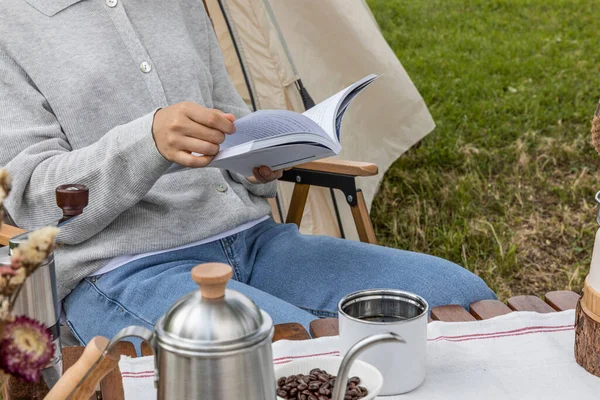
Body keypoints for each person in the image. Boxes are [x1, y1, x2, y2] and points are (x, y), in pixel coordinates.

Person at [0, 0, 495, 344]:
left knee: (466, 304)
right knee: (303, 359)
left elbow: (226, 115)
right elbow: (32, 199)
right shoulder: (10, 25)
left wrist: (259, 160)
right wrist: (147, 141)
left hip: (254, 242)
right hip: (128, 270)